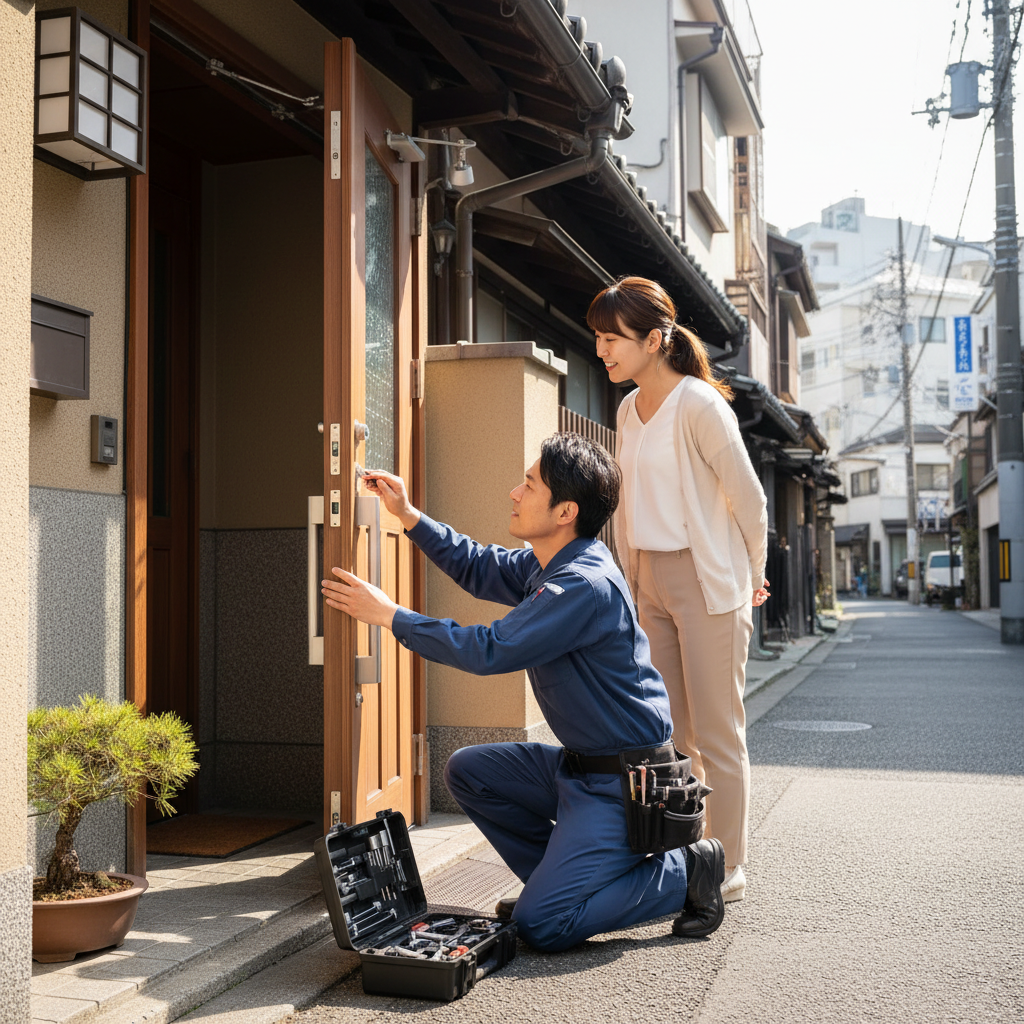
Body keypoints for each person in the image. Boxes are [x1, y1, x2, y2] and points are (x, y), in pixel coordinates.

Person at [321, 433, 724, 952]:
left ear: (565, 511)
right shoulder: (549, 563)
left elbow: (490, 650)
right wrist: (409, 515)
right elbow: (478, 565)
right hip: (582, 769)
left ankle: (686, 870)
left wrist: (389, 615)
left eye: (529, 485)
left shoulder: (581, 583)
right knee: (468, 770)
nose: (514, 492)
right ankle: (555, 887)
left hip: (626, 788)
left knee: (543, 925)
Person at [589, 277, 769, 905]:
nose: (603, 349)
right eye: (599, 338)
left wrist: (754, 570)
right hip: (652, 583)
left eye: (613, 339)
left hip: (706, 579)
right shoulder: (626, 409)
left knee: (718, 731)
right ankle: (686, 855)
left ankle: (731, 863)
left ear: (655, 339)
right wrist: (631, 581)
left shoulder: (698, 405)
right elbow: (631, 502)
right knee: (670, 735)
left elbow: (749, 498)